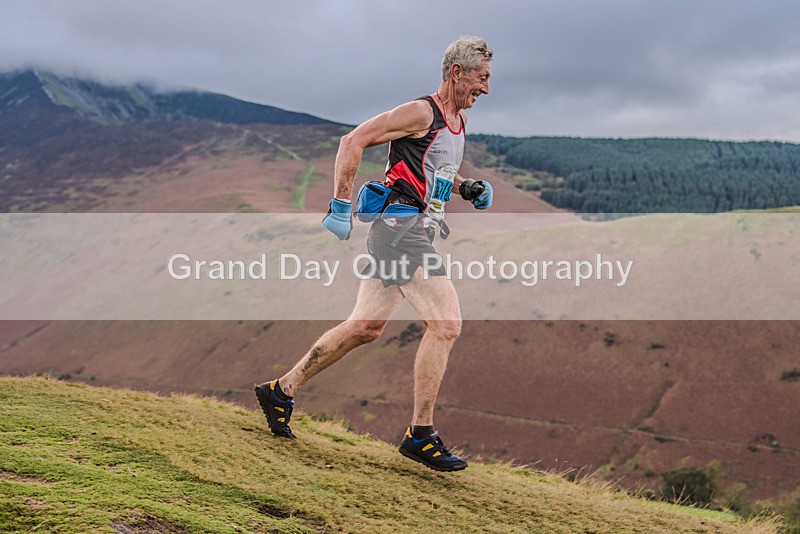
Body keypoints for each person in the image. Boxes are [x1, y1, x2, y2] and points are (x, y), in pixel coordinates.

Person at [255, 36, 493, 472]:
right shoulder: (422, 112)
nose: (486, 88)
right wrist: (340, 204)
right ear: (456, 73)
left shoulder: (457, 122)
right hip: (399, 229)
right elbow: (353, 140)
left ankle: (280, 390)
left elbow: (435, 170)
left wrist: (466, 187)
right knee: (446, 325)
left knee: (365, 327)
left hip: (409, 230)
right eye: (481, 78)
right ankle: (420, 434)